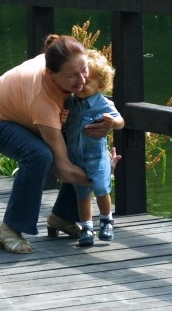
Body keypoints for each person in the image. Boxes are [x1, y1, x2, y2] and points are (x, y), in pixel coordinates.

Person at [0, 34, 95, 255]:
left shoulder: (64, 61)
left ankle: (63, 216)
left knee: (83, 148)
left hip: (25, 113)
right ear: (51, 74)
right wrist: (99, 177)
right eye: (72, 76)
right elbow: (63, 170)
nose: (82, 80)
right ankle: (10, 229)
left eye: (84, 70)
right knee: (38, 154)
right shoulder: (43, 99)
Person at [63, 49, 124, 246]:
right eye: (77, 79)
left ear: (101, 85)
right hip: (76, 158)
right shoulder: (70, 102)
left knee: (101, 189)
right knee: (82, 195)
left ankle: (106, 220)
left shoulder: (103, 104)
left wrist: (113, 122)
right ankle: (87, 227)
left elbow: (121, 121)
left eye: (87, 81)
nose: (80, 84)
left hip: (96, 157)